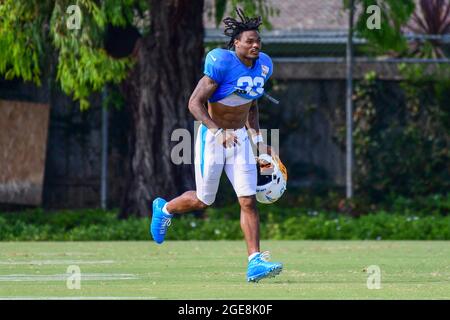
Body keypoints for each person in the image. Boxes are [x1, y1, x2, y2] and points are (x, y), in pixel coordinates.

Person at [150, 8, 283, 282]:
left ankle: (254, 262)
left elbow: (252, 103)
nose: (255, 45)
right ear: (236, 43)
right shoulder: (221, 63)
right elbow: (194, 103)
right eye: (249, 40)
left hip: (241, 140)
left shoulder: (264, 66)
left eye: (258, 40)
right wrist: (217, 130)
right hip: (212, 138)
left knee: (247, 200)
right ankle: (164, 209)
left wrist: (258, 141)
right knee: (203, 200)